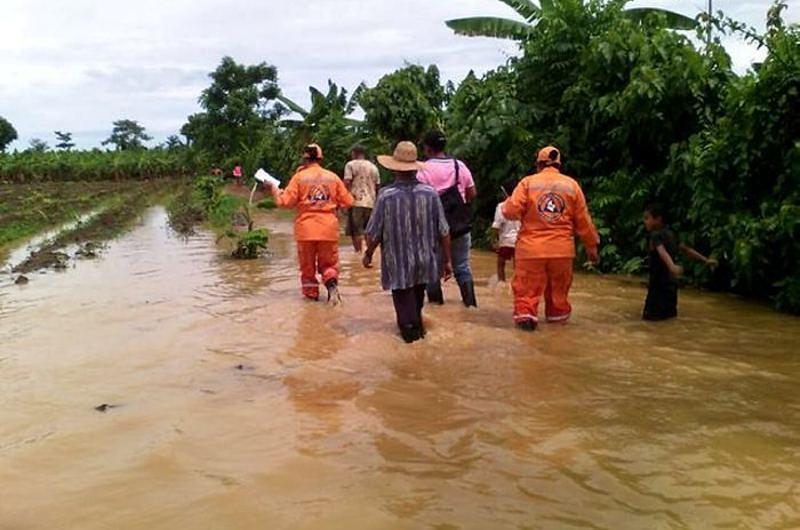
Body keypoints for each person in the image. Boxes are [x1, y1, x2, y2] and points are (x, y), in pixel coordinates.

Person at [363, 141, 453, 344]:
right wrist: (447, 261)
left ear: (394, 168)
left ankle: (411, 354)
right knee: (417, 306)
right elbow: (444, 231)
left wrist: (368, 254)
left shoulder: (386, 196)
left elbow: (374, 232)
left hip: (398, 265)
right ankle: (421, 344)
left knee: (406, 316)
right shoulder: (430, 194)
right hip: (424, 262)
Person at [502, 146, 600, 331]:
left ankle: (527, 334)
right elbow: (583, 220)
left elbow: (510, 211)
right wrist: (591, 246)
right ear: (558, 164)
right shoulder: (572, 186)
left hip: (531, 251)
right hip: (562, 251)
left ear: (538, 164)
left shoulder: (527, 183)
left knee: (526, 298)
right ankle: (557, 341)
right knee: (558, 300)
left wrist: (508, 201)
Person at [268, 144, 354, 304]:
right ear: (321, 159)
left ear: (304, 158)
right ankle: (332, 285)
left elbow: (285, 202)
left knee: (307, 269)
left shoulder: (299, 177)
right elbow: (348, 202)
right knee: (329, 265)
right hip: (328, 229)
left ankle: (311, 303)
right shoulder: (332, 177)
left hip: (306, 230)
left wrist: (274, 189)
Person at [417, 130, 478, 307]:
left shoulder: (423, 170)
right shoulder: (459, 166)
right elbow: (472, 193)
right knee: (462, 267)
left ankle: (437, 309)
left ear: (427, 148)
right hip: (460, 226)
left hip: (432, 228)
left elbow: (420, 199)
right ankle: (471, 306)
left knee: (432, 270)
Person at [642, 203, 717, 321]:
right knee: (669, 321)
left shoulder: (655, 236)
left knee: (650, 323)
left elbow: (661, 251)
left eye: (647, 218)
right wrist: (705, 260)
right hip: (671, 288)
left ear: (658, 219)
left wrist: (671, 266)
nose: (645, 222)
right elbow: (686, 250)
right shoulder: (671, 234)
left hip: (658, 288)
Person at [343, 145, 380, 253]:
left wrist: (344, 200)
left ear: (354, 153)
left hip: (356, 202)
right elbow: (378, 186)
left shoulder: (350, 165)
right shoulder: (374, 167)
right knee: (369, 231)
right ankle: (370, 254)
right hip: (371, 203)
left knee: (356, 231)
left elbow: (347, 182)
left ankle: (358, 254)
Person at [491, 178, 521, 283]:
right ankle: (518, 285)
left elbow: (496, 226)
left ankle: (502, 283)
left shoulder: (501, 206)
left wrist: (493, 241)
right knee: (518, 268)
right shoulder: (523, 206)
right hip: (520, 242)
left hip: (505, 242)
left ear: (504, 191)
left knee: (500, 265)